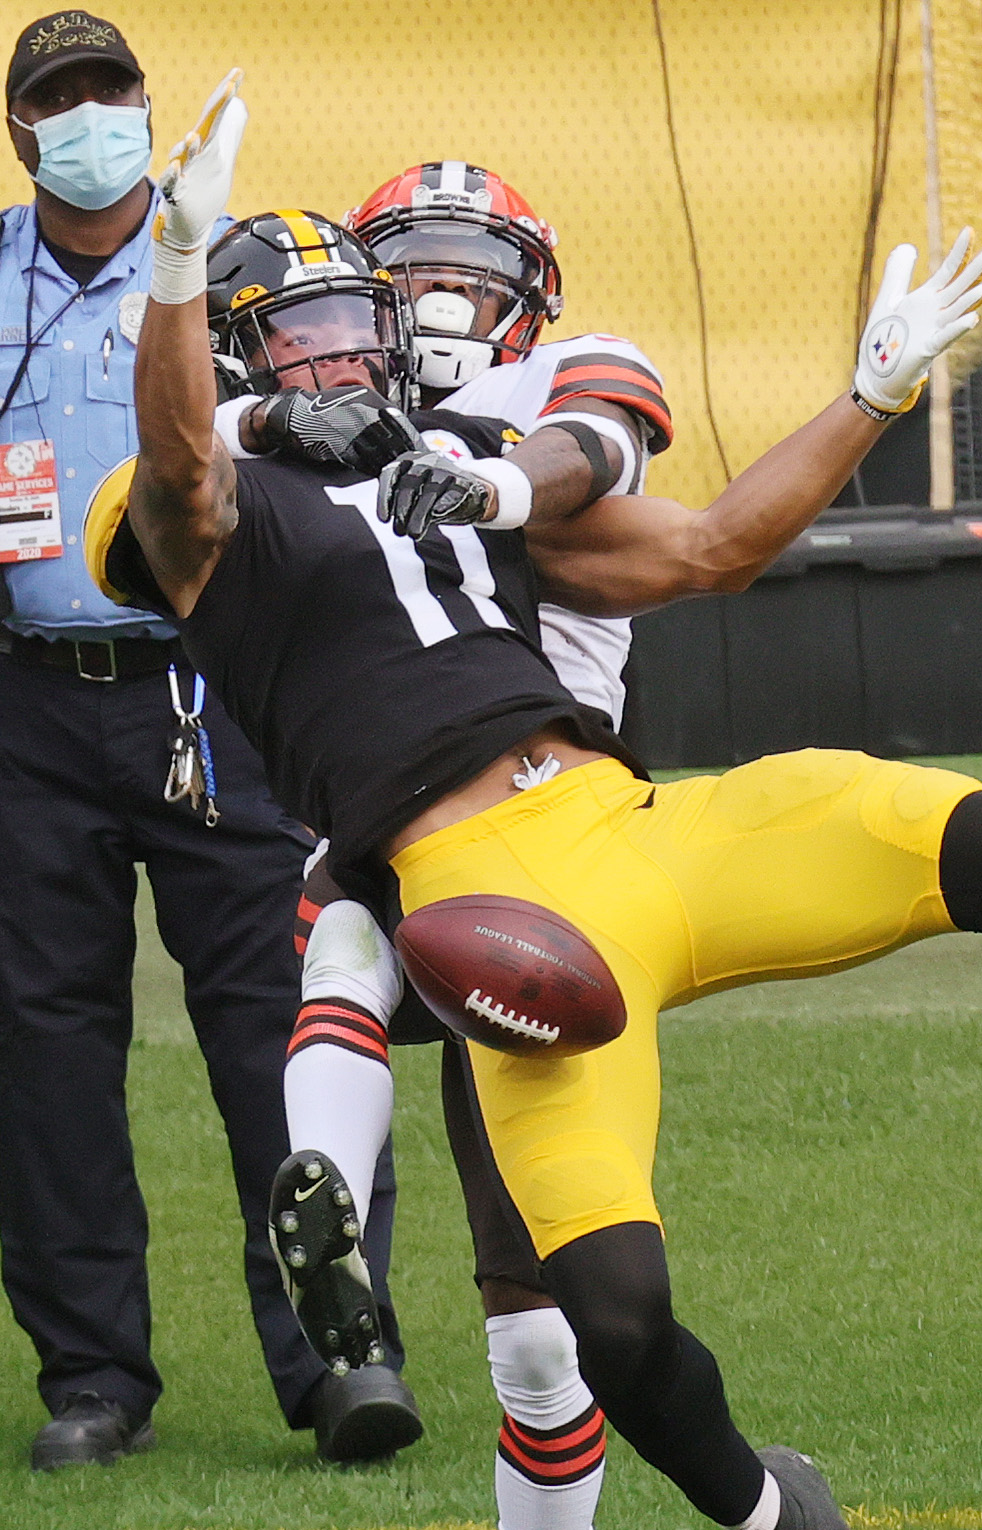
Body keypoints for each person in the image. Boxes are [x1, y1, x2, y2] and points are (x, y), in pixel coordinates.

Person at [107, 77, 982, 1530]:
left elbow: (712, 542)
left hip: (633, 818)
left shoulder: (452, 476)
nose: (340, 362)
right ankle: (770, 1512)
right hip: (479, 900)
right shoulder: (199, 502)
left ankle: (331, 1172)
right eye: (299, 334)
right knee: (608, 1323)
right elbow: (172, 465)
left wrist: (871, 398)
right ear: (230, 355)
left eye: (357, 328)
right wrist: (166, 265)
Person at [213, 163, 675, 1527]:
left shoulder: (560, 380)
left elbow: (605, 436)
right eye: (411, 271)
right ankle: (332, 1208)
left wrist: (484, 482)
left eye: (472, 270)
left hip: (556, 815)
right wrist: (275, 398)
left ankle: (335, 1194)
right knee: (347, 920)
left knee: (540, 1311)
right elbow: (210, 427)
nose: (440, 296)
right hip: (410, 814)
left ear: (527, 287)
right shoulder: (328, 412)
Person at [0, 16, 415, 1469]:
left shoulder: (238, 267)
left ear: (147, 106)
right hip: (30, 701)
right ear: (21, 129)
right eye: (56, 98)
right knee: (42, 1046)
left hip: (227, 687)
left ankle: (341, 1357)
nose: (89, 117)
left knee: (284, 1026)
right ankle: (92, 1380)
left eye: (110, 91)